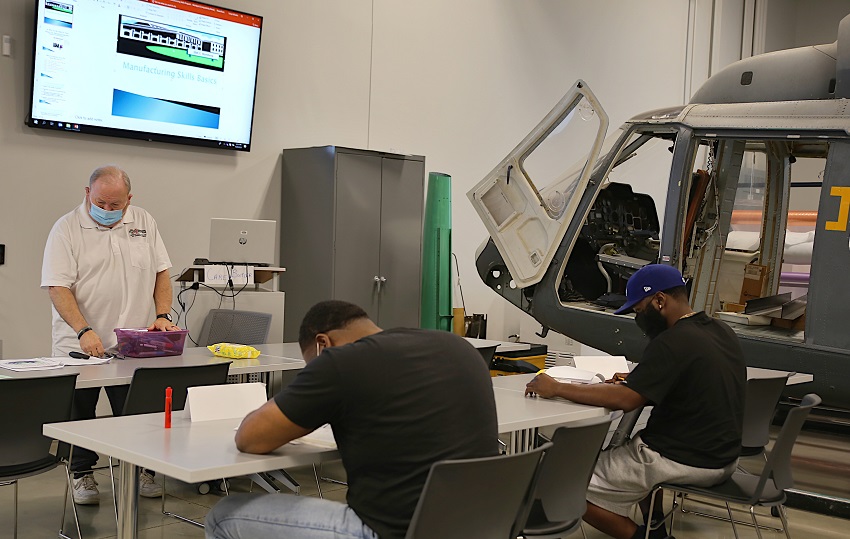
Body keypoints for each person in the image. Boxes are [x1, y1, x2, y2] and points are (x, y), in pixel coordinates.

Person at [205, 300, 499, 539]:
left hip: (390, 532)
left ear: (323, 343)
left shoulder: (340, 362)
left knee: (224, 515)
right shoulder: (457, 346)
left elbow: (250, 438)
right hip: (480, 525)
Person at [525, 264, 746, 539]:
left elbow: (626, 400)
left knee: (559, 481)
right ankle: (656, 527)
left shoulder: (672, 341)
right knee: (638, 440)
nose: (639, 319)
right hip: (723, 458)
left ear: (660, 300)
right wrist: (639, 379)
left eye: (639, 311)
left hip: (680, 459)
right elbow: (689, 382)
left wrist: (556, 387)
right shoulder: (720, 331)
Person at [41, 165, 179, 504]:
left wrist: (162, 315)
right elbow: (58, 286)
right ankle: (82, 475)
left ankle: (143, 469)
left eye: (115, 205)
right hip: (79, 343)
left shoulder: (144, 222)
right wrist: (83, 330)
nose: (106, 210)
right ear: (87, 193)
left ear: (129, 199)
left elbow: (162, 272)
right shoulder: (67, 228)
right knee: (80, 413)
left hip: (132, 343)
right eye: (100, 201)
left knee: (137, 412)